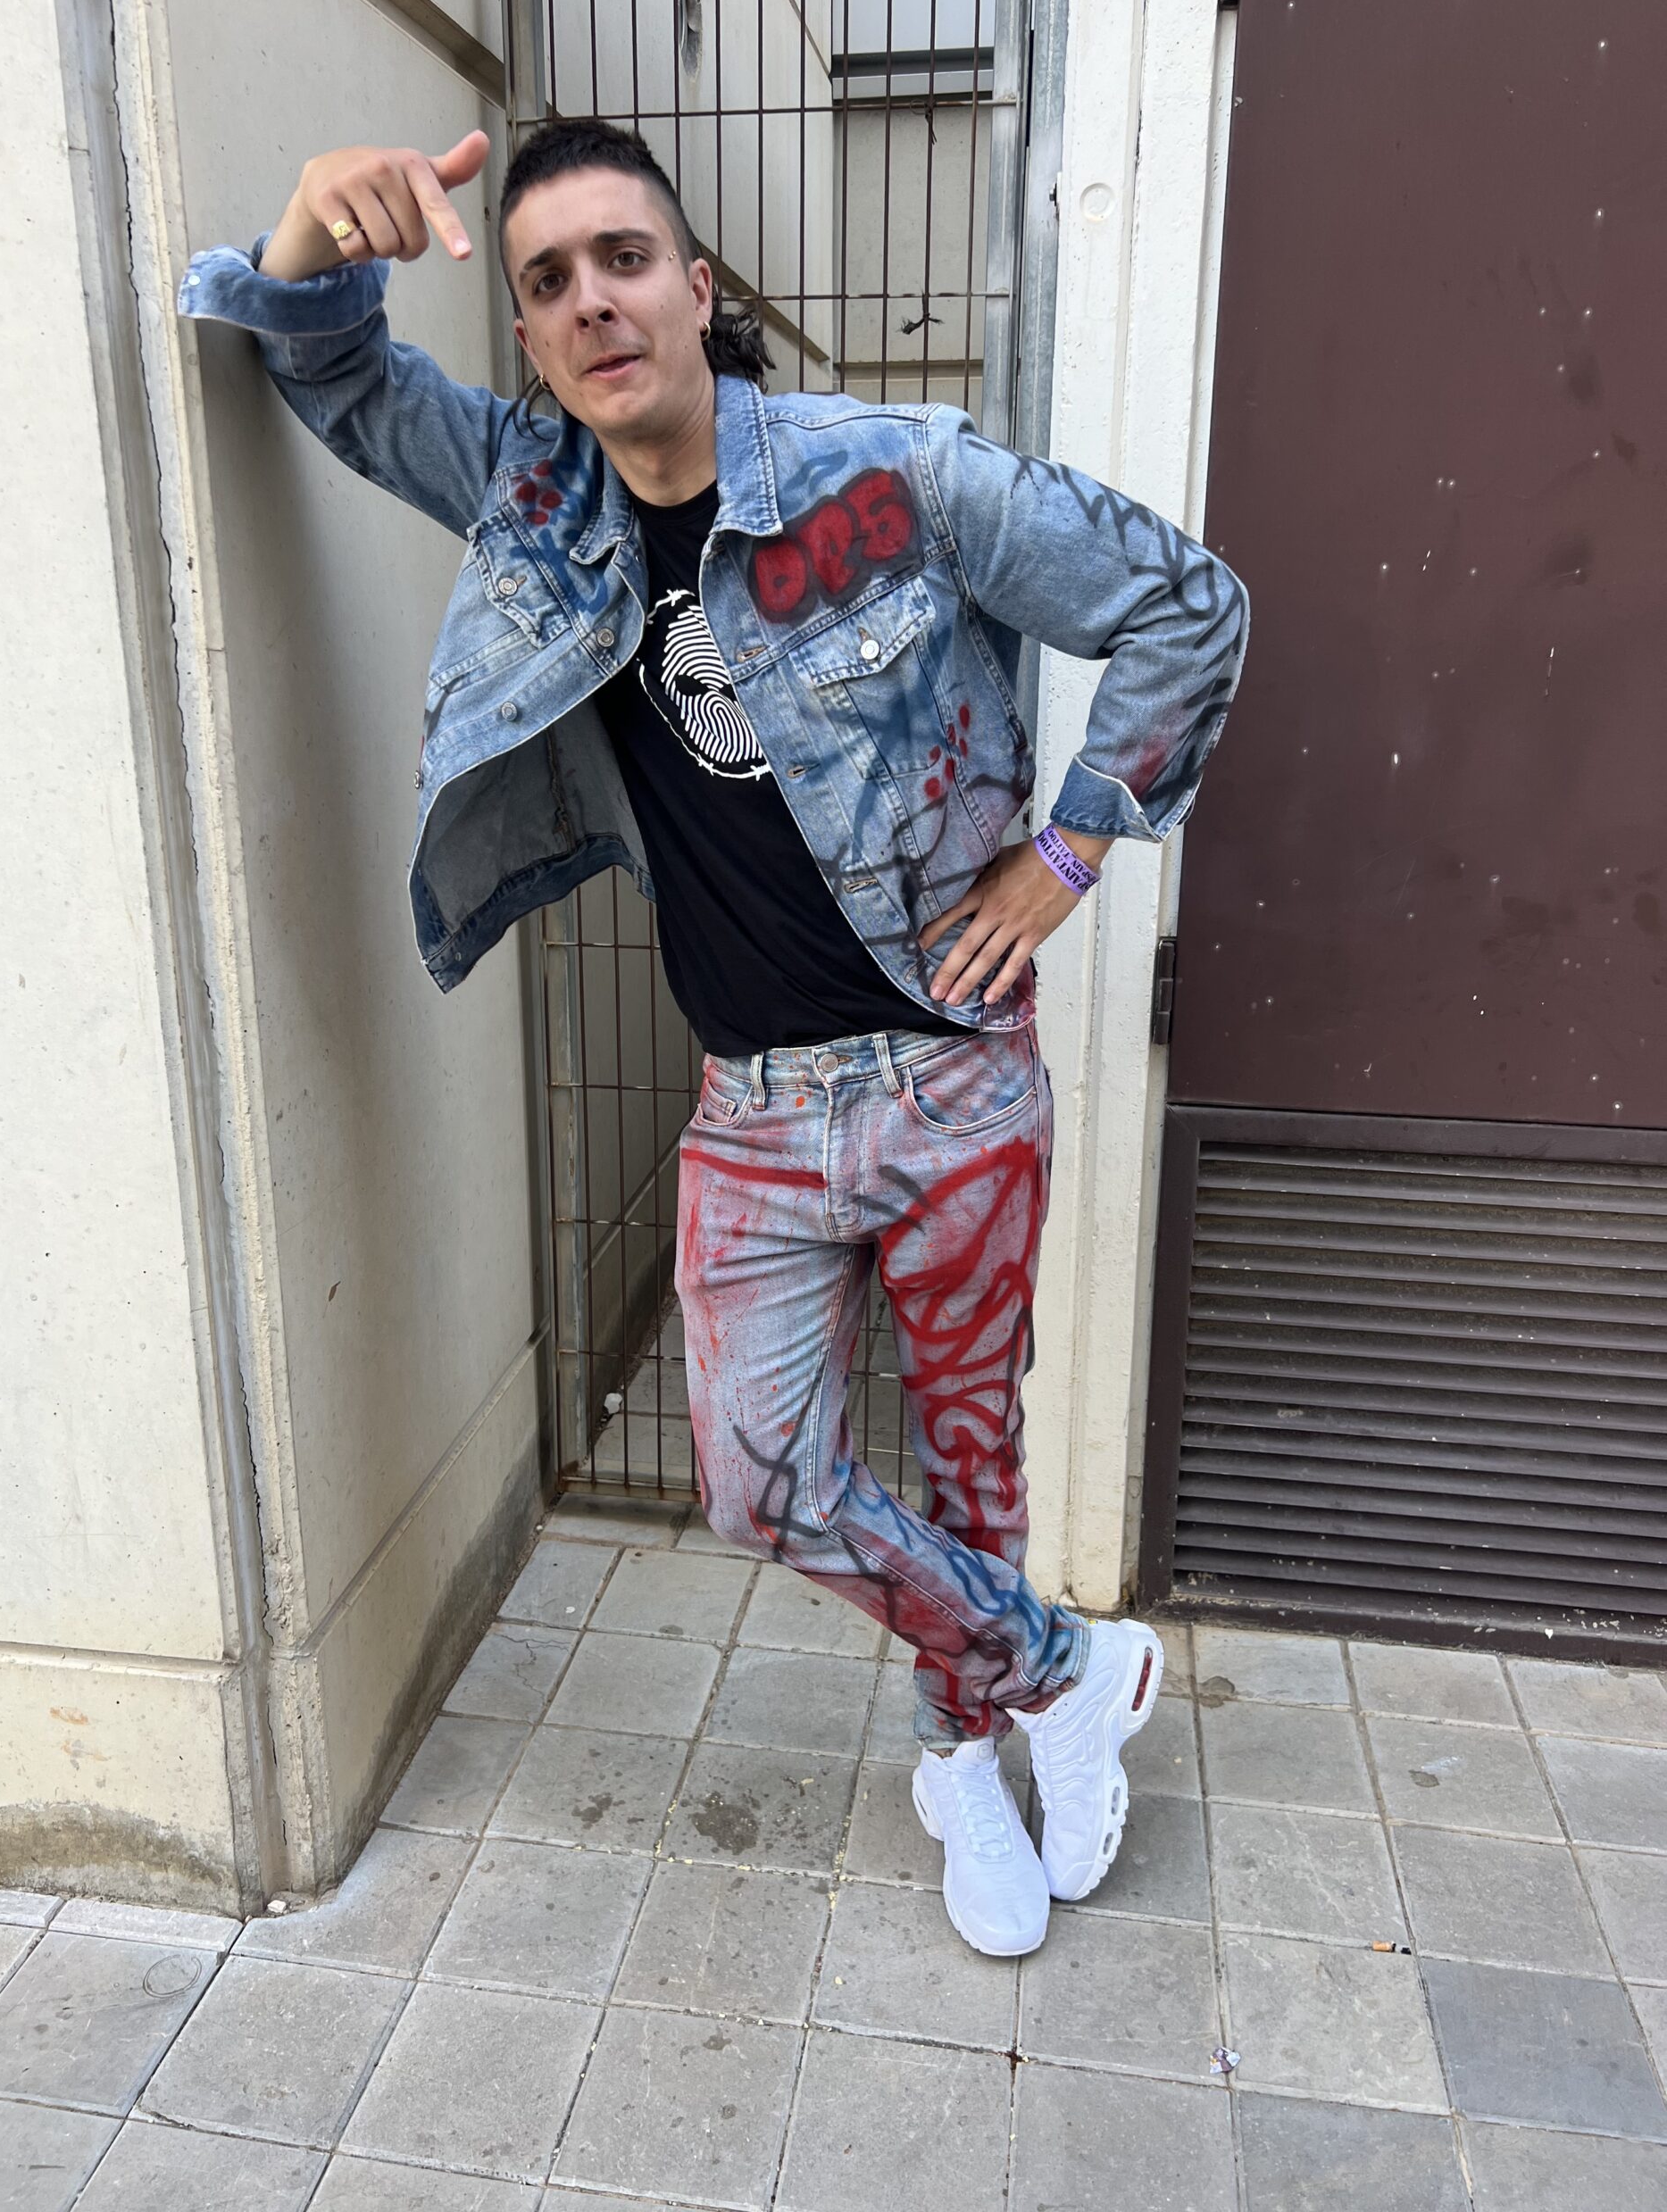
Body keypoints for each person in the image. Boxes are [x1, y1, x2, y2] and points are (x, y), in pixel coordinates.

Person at [177, 117, 1248, 1959]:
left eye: (623, 259)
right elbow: (333, 376)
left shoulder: (891, 473)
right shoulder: (530, 494)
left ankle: (971, 1762)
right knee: (758, 1483)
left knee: (971, 1459)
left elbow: (1184, 606)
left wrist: (1070, 851)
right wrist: (307, 228)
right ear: (531, 336)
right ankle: (1073, 1671)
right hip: (752, 1111)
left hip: (954, 1078)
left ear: (694, 283)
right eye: (546, 281)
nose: (592, 301)